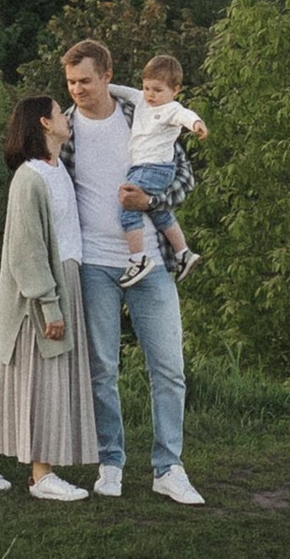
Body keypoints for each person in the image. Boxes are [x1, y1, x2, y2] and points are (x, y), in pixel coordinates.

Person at [63, 37, 203, 507]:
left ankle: (169, 468)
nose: (78, 89)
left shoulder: (140, 114)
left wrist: (151, 203)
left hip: (151, 265)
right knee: (103, 368)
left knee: (169, 368)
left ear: (107, 76)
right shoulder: (64, 131)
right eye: (71, 82)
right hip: (94, 266)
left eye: (86, 80)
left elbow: (183, 175)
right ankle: (111, 463)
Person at [0, 92, 93, 501]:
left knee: (19, 380)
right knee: (40, 377)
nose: (67, 116)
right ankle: (41, 475)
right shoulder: (29, 178)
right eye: (58, 112)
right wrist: (49, 304)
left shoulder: (56, 170)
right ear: (44, 124)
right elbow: (26, 250)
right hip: (39, 293)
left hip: (65, 278)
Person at [118, 52, 206, 286]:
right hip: (147, 167)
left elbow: (185, 115)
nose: (150, 95)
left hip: (153, 167)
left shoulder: (171, 109)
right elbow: (123, 91)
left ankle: (138, 259)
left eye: (157, 90)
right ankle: (183, 252)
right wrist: (102, 86)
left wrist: (196, 124)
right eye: (147, 88)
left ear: (175, 90)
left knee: (128, 205)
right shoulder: (141, 100)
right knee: (160, 212)